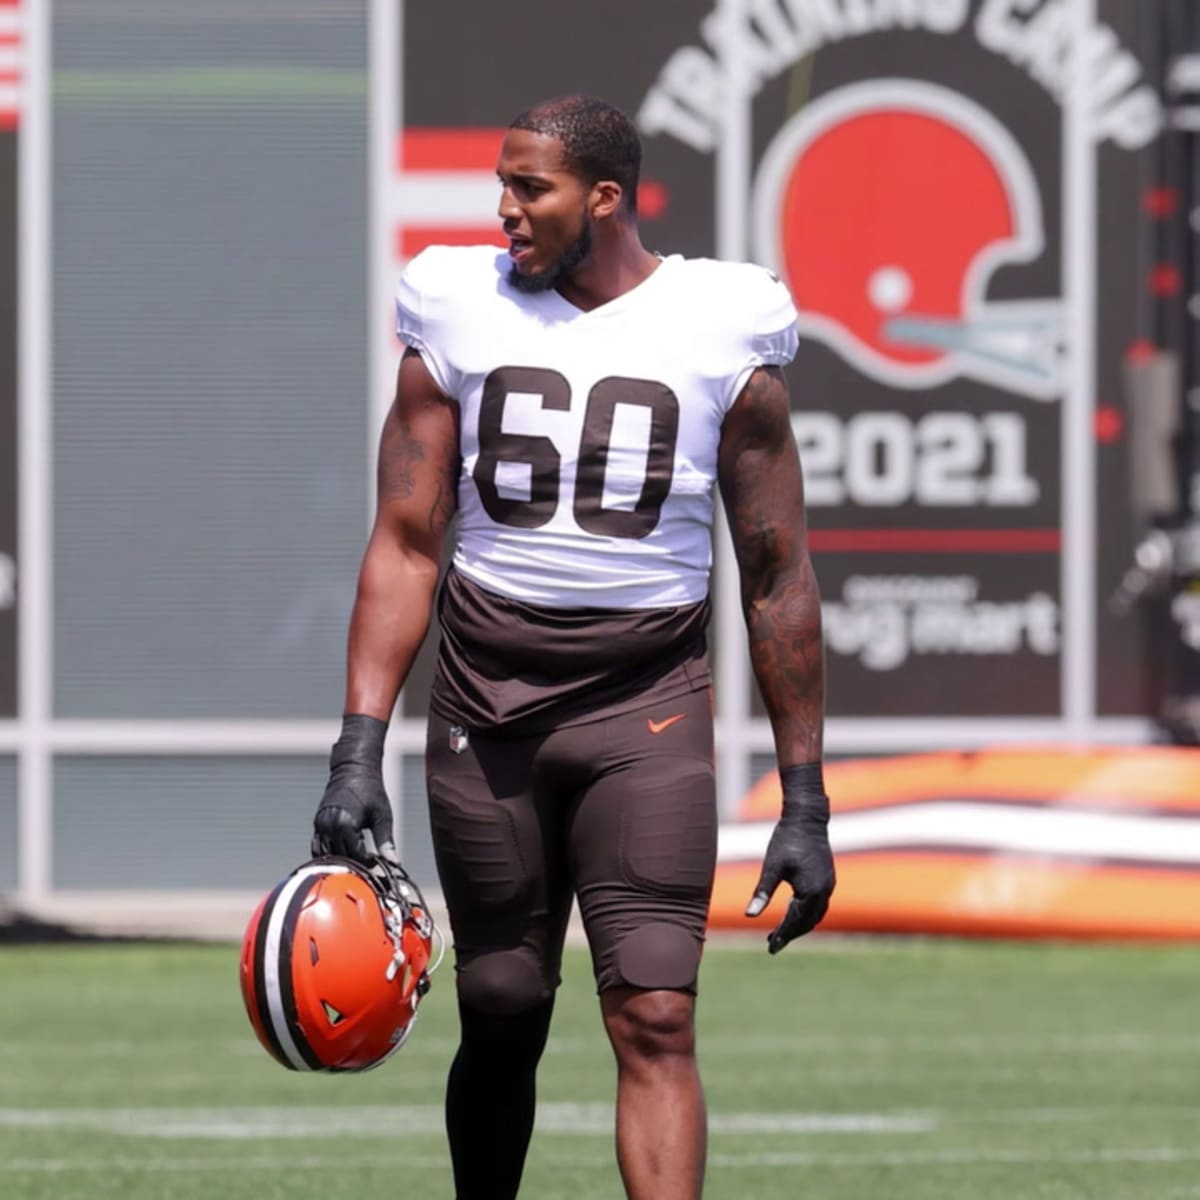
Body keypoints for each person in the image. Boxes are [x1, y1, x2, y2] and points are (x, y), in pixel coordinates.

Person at [312, 93, 835, 1200]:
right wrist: (358, 745)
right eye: (501, 185)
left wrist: (805, 799)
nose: (504, 210)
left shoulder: (720, 323)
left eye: (528, 188)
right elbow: (407, 542)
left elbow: (777, 571)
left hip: (644, 708)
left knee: (654, 1012)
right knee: (501, 1009)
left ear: (603, 197)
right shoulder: (456, 308)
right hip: (485, 706)